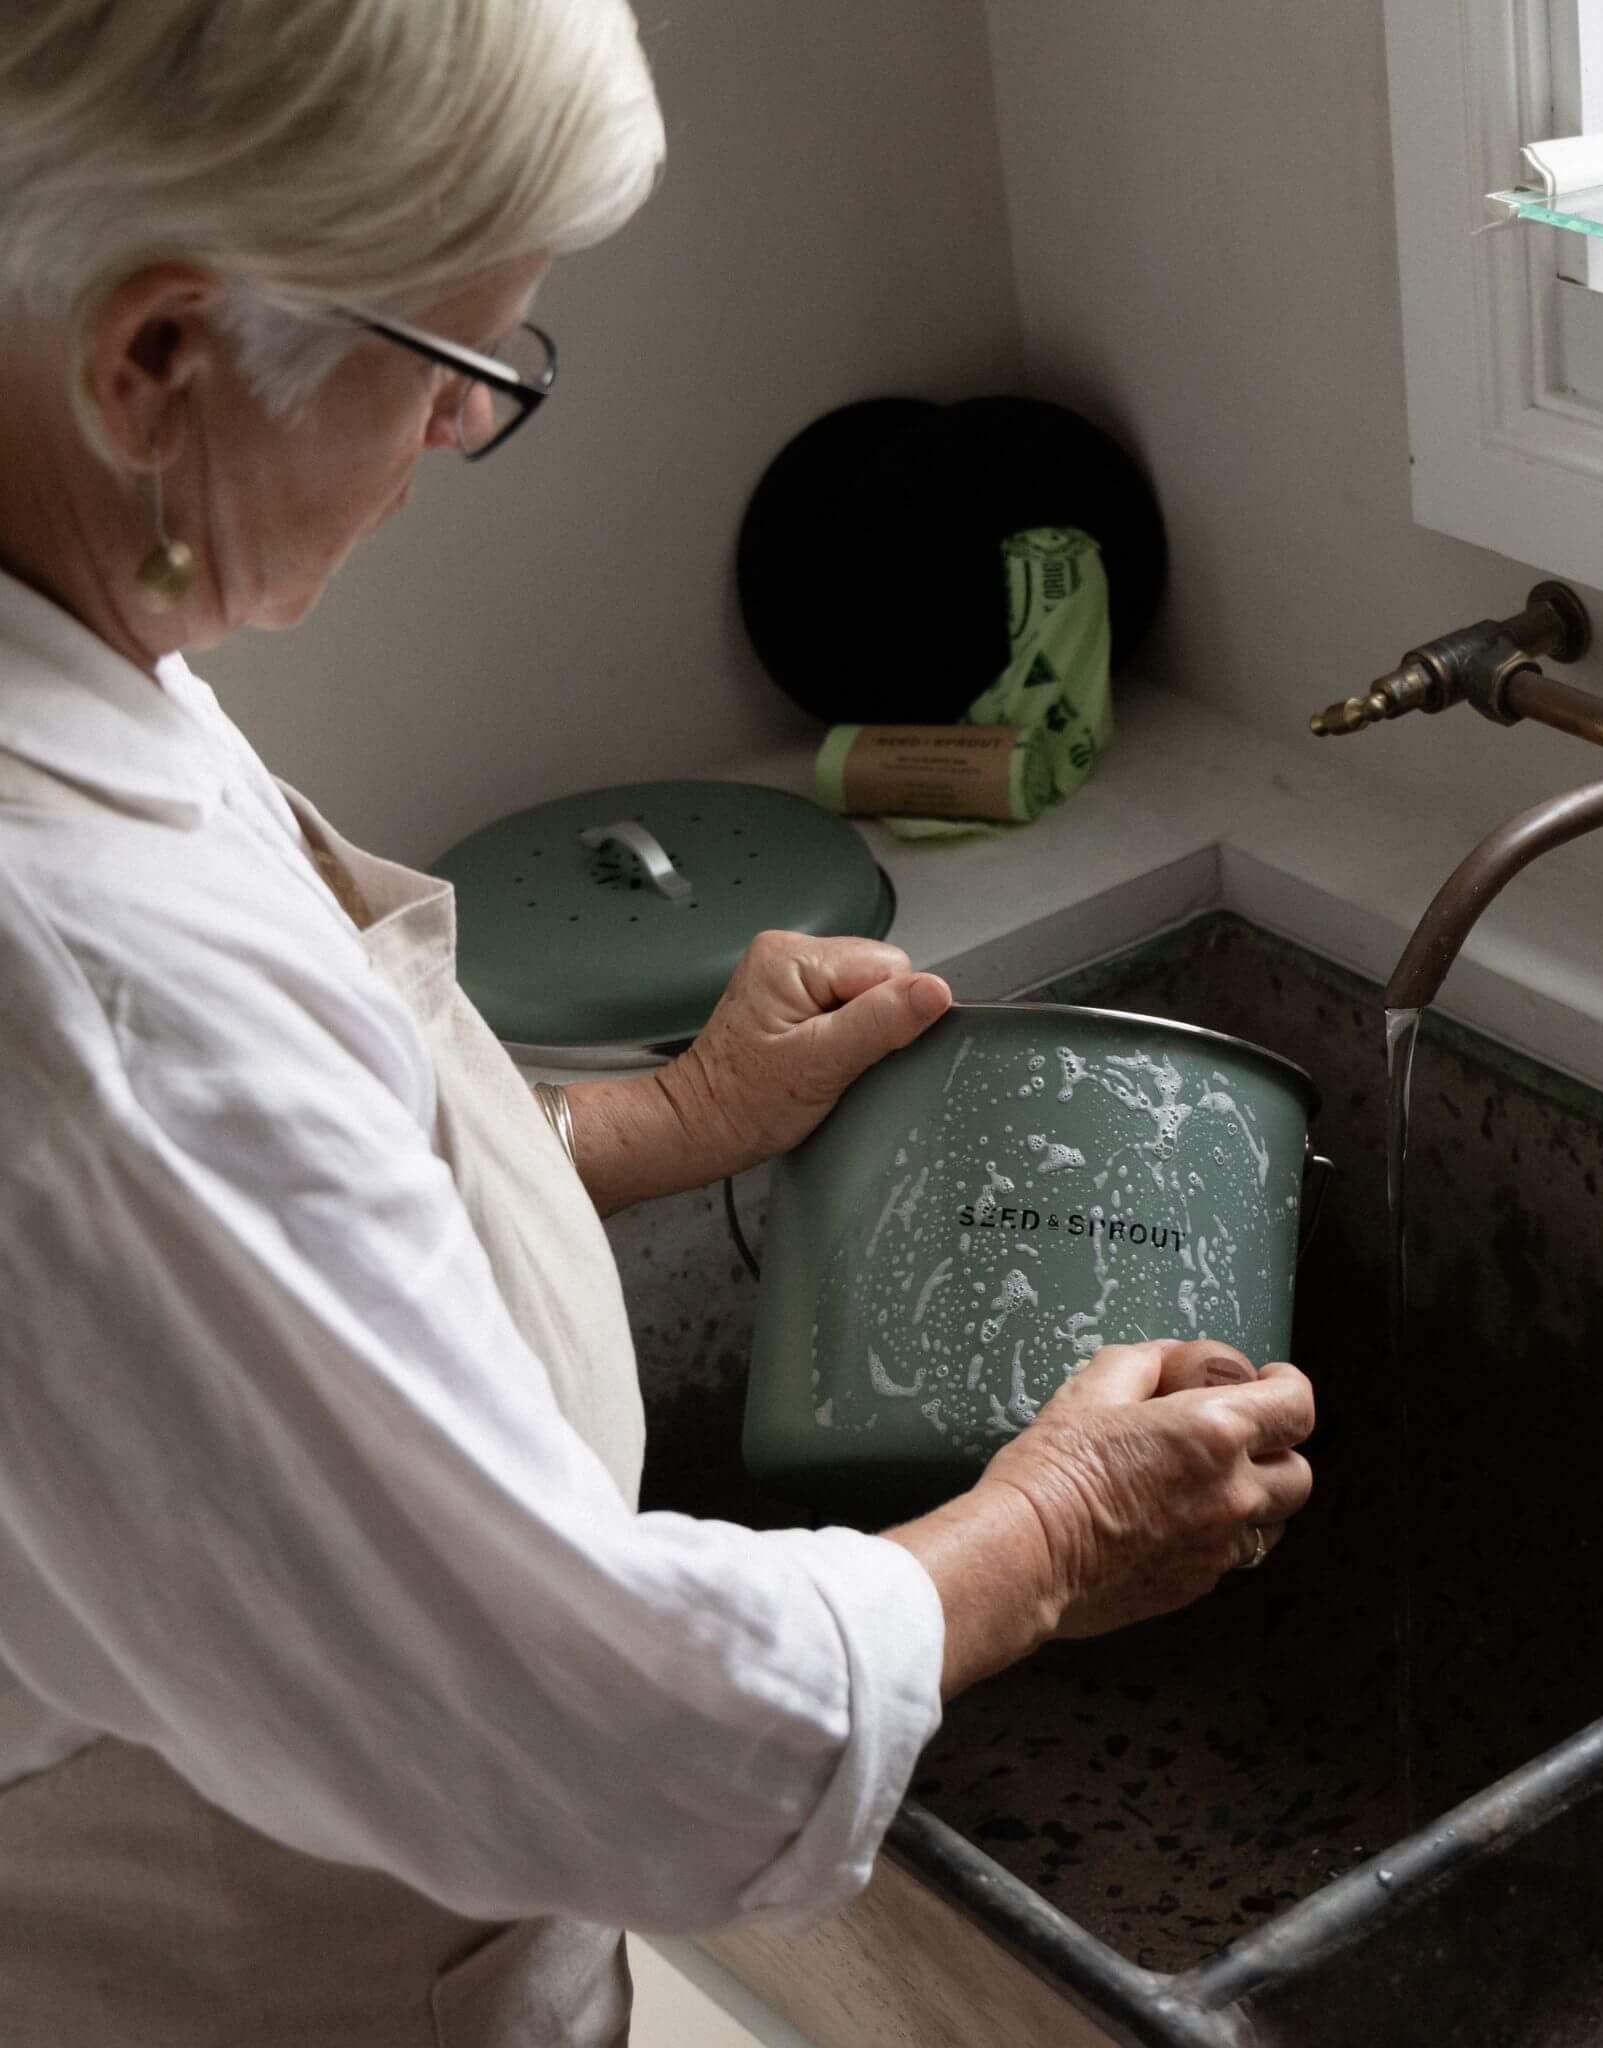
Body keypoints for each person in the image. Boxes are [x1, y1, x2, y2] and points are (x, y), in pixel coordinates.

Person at [0, 4, 1316, 2042]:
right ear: (156, 355)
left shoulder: (70, 632)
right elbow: (593, 1730)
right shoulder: (75, 992)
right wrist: (1049, 1533)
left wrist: (669, 1114)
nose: (464, 430)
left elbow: (252, 1238)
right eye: (451, 363)